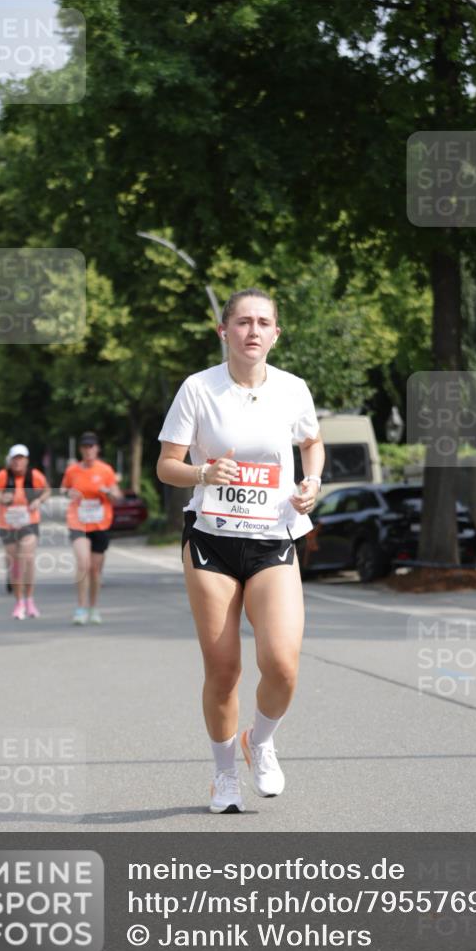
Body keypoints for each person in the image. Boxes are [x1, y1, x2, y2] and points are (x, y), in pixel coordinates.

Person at [157, 288, 325, 814]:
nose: (253, 330)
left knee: (282, 663)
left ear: (276, 333)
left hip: (275, 537)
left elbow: (311, 443)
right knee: (224, 668)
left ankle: (262, 740)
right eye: (243, 322)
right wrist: (203, 473)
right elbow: (167, 466)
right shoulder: (197, 389)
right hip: (212, 540)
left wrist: (312, 480)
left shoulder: (294, 389)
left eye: (263, 322)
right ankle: (224, 774)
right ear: (224, 332)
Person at [60, 432, 122, 625]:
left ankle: (94, 607)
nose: (88, 450)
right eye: (85, 447)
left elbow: (117, 495)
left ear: (97, 449)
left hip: (100, 523)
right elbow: (63, 489)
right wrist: (68, 493)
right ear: (81, 450)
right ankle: (80, 608)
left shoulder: (105, 470)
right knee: (83, 564)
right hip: (78, 522)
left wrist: (110, 493)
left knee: (95, 570)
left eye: (91, 446)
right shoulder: (72, 470)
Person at [0, 445, 51, 619]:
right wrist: (0, 498)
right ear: (10, 460)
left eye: (21, 458)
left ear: (27, 460)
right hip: (7, 524)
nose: (18, 461)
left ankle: (29, 599)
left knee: (27, 558)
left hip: (29, 522)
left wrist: (39, 500)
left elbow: (47, 490)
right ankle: (19, 602)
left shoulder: (34, 475)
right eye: (15, 458)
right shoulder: (3, 475)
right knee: (15, 563)